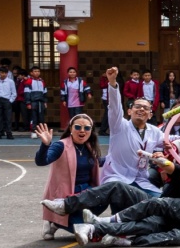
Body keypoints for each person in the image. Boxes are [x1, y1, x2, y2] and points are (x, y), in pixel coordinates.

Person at [41, 67, 165, 218]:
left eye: (145, 108)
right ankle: (72, 208)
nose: (141, 109)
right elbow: (114, 107)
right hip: (117, 176)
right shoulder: (119, 125)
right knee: (118, 195)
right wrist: (112, 83)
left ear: (151, 113)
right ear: (129, 111)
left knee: (163, 202)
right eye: (137, 106)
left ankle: (119, 229)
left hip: (140, 179)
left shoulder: (155, 131)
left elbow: (172, 141)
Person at [76, 154, 180, 248]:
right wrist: (158, 158)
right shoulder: (179, 172)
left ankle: (117, 237)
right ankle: (94, 225)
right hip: (160, 211)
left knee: (141, 227)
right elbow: (168, 165)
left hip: (173, 221)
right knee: (120, 188)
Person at [35, 117, 101, 239]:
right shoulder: (60, 146)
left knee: (108, 196)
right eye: (78, 127)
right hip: (67, 195)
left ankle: (61, 221)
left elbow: (98, 162)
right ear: (71, 128)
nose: (82, 130)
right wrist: (45, 145)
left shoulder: (90, 147)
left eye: (87, 128)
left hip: (86, 191)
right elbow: (42, 161)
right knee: (86, 230)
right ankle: (55, 222)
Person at [0, 66, 16, 139]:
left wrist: (10, 101)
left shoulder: (10, 81)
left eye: (5, 73)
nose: (4, 74)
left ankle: (9, 133)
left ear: (7, 73)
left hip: (6, 100)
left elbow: (14, 93)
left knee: (8, 118)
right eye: (2, 73)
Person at [22, 66, 46, 138]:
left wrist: (45, 102)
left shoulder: (42, 81)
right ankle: (33, 131)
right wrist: (28, 103)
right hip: (33, 102)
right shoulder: (29, 81)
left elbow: (44, 92)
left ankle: (41, 132)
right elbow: (27, 93)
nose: (37, 73)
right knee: (33, 117)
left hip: (41, 102)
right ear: (31, 73)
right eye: (35, 71)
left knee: (41, 117)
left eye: (38, 71)